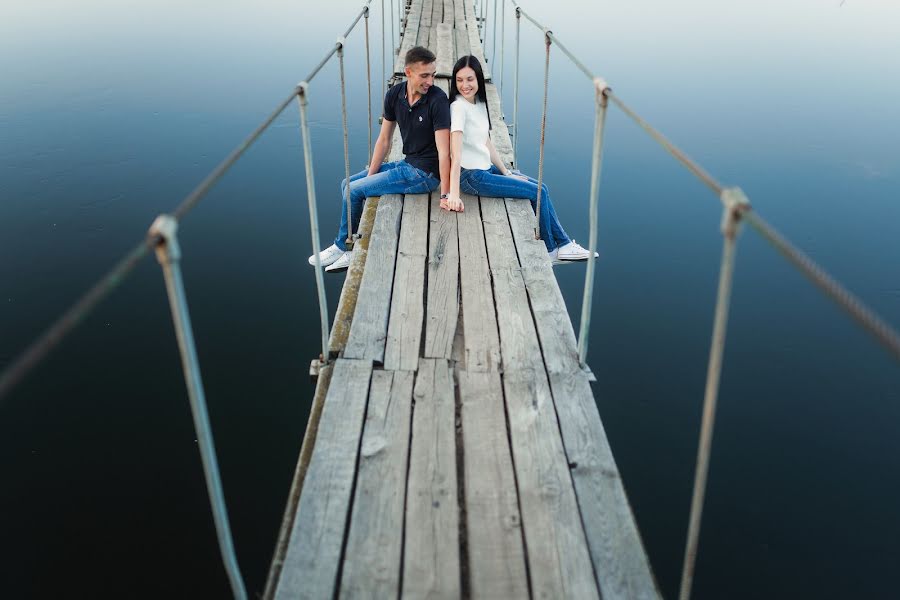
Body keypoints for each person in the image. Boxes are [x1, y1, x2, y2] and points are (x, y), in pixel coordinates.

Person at [308, 46, 451, 272]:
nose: (430, 81)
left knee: (353, 191)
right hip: (407, 164)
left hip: (425, 175)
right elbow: (384, 139)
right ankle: (345, 240)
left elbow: (444, 151)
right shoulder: (394, 95)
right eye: (425, 75)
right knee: (347, 184)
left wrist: (445, 194)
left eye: (433, 74)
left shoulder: (438, 100)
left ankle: (345, 247)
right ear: (408, 72)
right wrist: (371, 176)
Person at [443, 55, 595, 263]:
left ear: (478, 79)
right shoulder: (458, 107)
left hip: (486, 169)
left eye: (469, 79)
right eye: (459, 80)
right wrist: (453, 194)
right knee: (537, 192)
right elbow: (455, 154)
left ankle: (565, 244)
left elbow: (486, 142)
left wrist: (507, 172)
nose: (464, 85)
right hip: (471, 177)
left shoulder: (479, 103)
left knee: (543, 188)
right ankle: (551, 251)